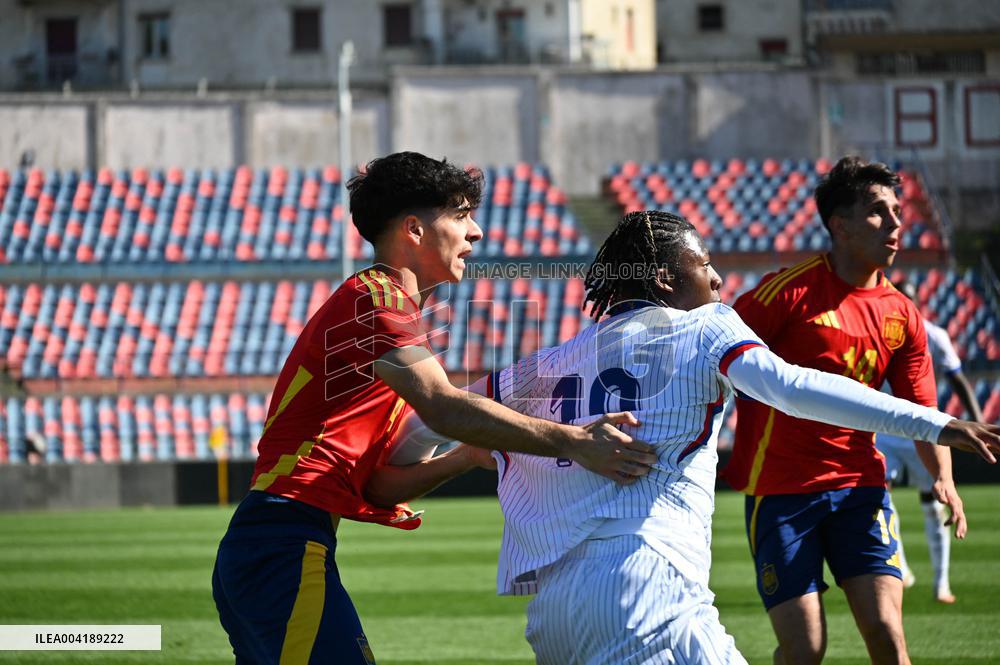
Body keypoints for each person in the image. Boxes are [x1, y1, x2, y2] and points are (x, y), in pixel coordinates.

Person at [373, 210, 1000, 665]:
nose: (720, 281)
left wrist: (452, 458)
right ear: (668, 280)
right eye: (705, 264)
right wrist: (935, 421)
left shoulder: (543, 363)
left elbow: (416, 431)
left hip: (554, 610)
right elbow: (790, 385)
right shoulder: (703, 328)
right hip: (646, 581)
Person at [211, 152, 656, 665]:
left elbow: (377, 484)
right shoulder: (375, 299)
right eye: (461, 214)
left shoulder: (387, 320)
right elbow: (444, 406)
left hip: (279, 541)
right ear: (414, 229)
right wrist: (572, 441)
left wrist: (464, 458)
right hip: (281, 544)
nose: (477, 232)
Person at [723, 156, 969, 665]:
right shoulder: (785, 293)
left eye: (898, 210)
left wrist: (943, 476)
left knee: (887, 636)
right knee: (805, 649)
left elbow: (921, 407)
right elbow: (712, 353)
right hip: (782, 493)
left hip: (861, 487)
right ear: (840, 224)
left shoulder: (903, 314)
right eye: (878, 211)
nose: (897, 223)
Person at [876, 279, 986, 603]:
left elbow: (958, 379)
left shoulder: (934, 336)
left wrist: (976, 420)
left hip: (923, 430)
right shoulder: (878, 330)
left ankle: (941, 584)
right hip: (886, 429)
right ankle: (902, 566)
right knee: (878, 492)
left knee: (933, 503)